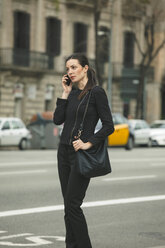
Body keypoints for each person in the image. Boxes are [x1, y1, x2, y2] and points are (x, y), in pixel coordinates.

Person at [53, 53, 114, 248]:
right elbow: (57, 119)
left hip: (81, 155)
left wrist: (89, 143)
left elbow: (108, 126)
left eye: (74, 67)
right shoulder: (70, 93)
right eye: (68, 68)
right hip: (63, 152)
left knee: (73, 206)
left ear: (85, 68)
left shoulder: (96, 93)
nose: (70, 71)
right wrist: (64, 93)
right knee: (68, 207)